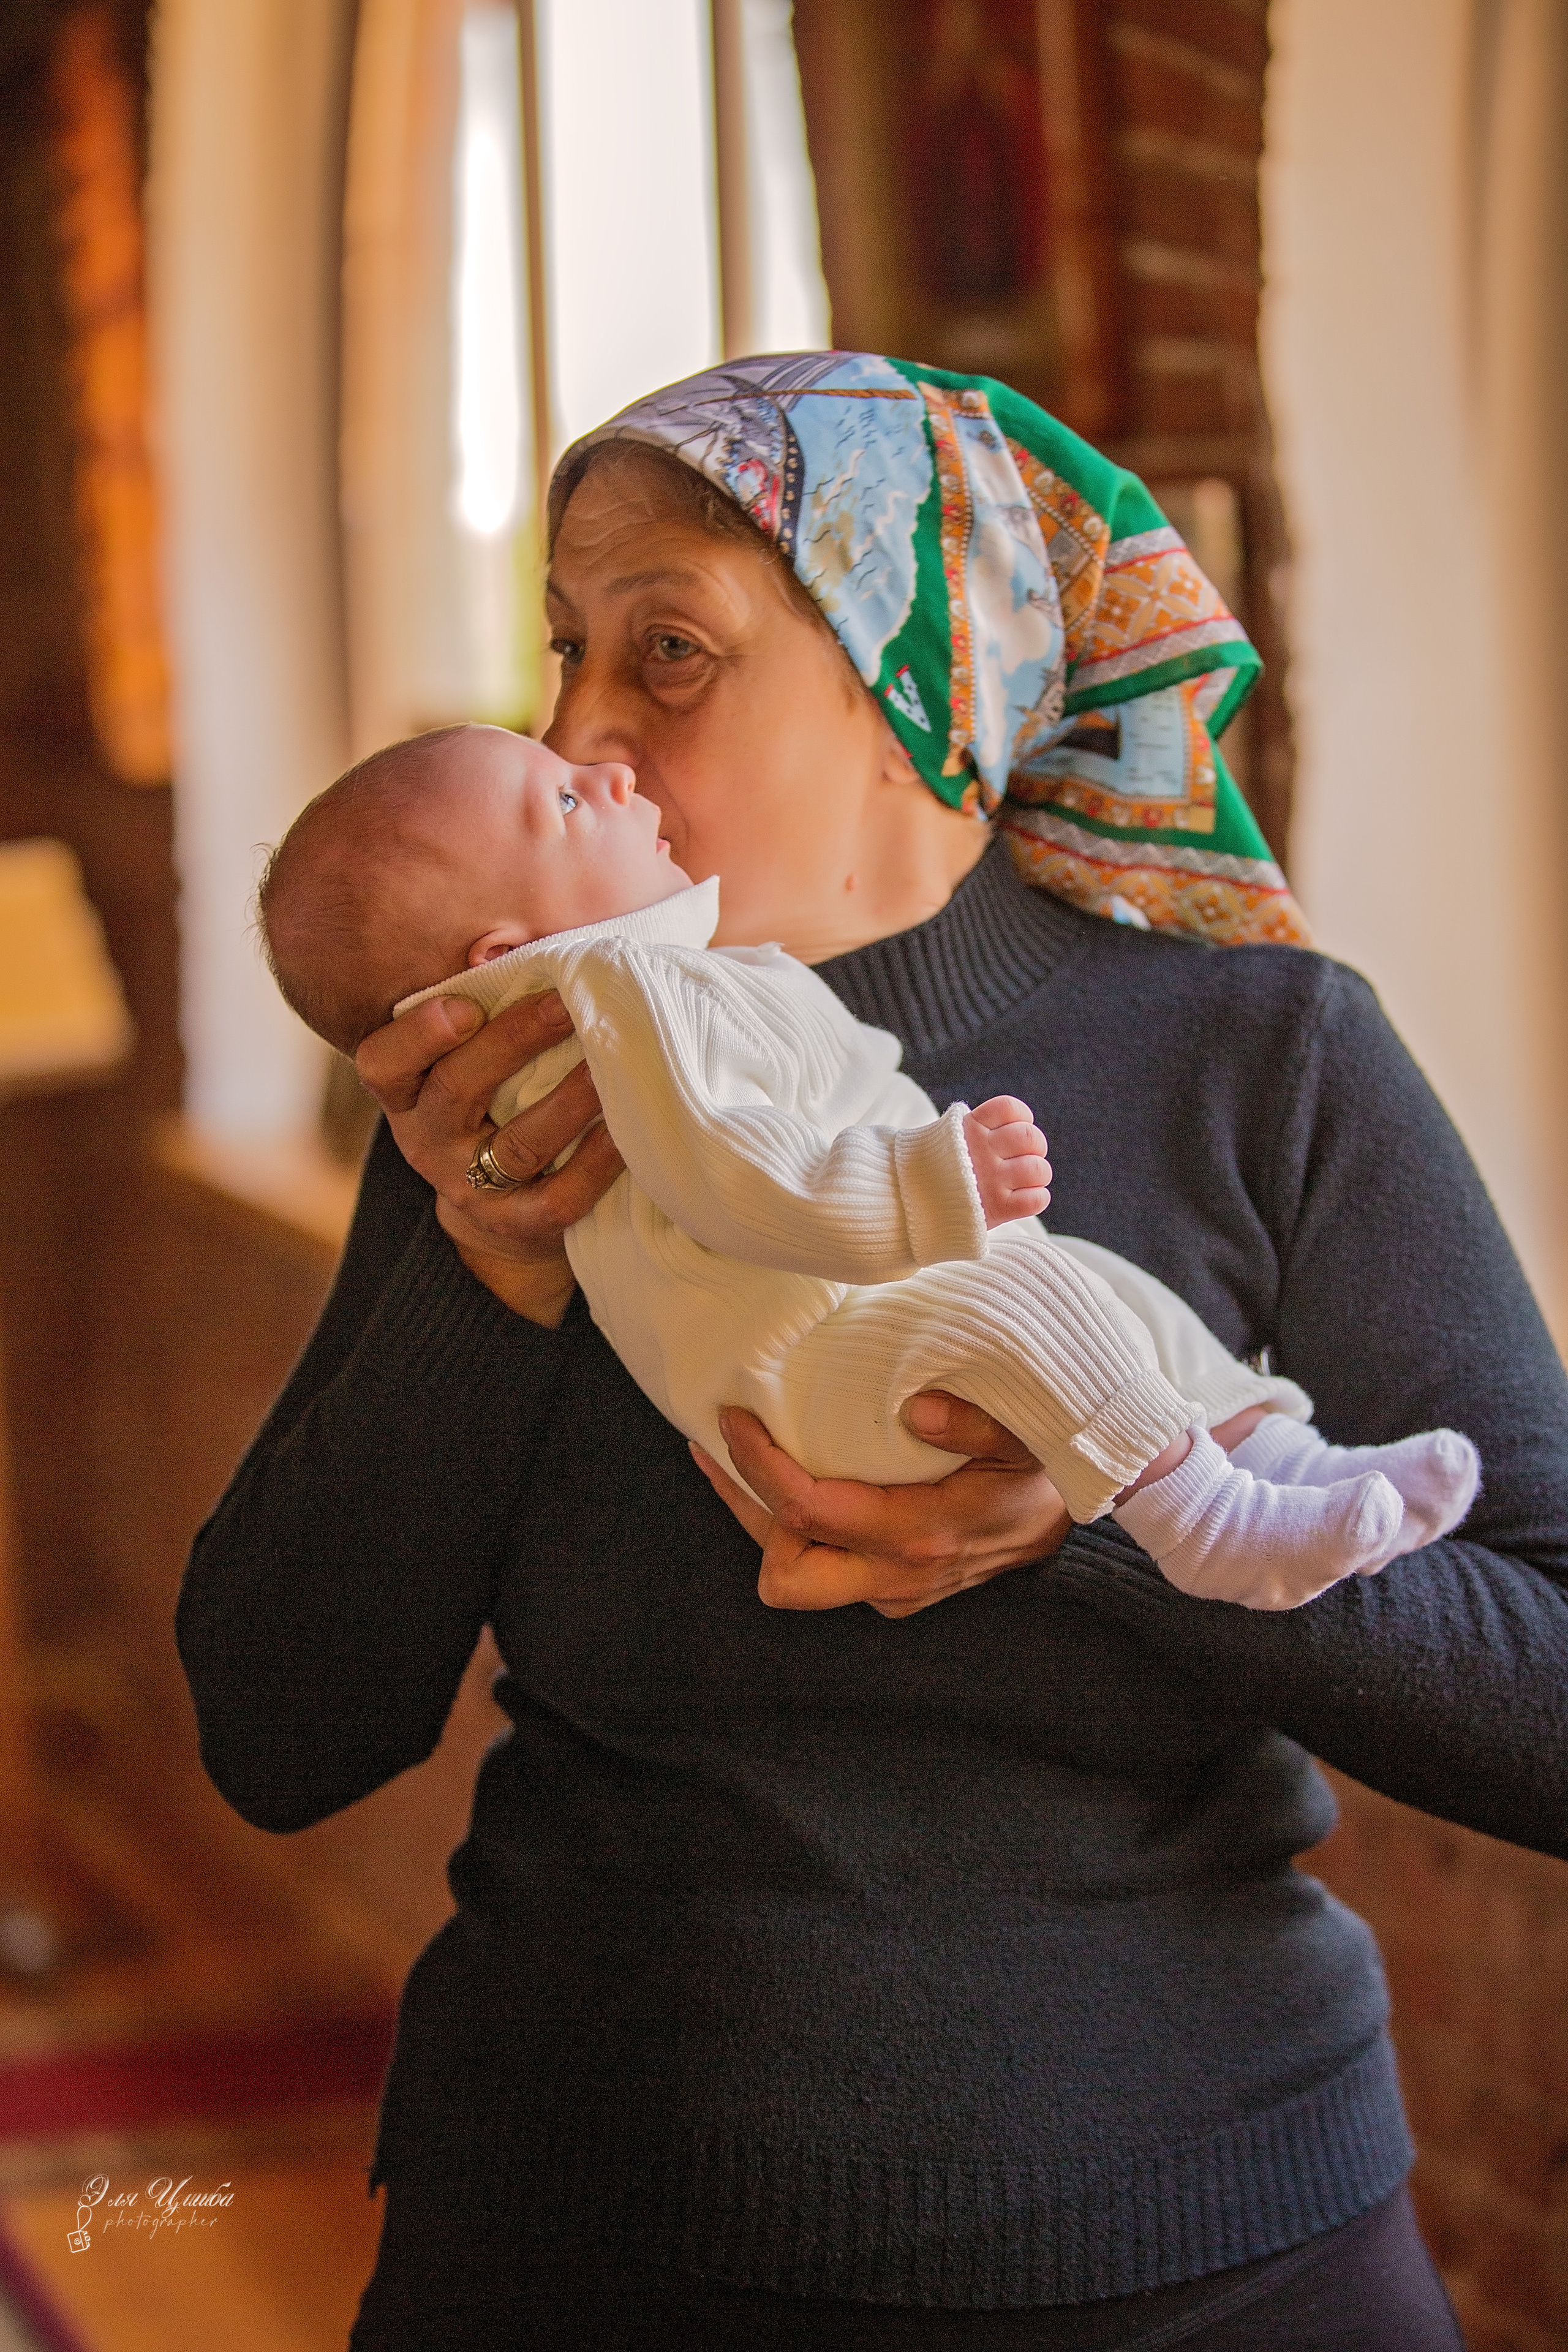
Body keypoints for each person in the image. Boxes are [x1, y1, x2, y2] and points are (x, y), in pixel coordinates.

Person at [179, 355, 1568, 2349]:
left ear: (929, 675)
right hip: (590, 2240)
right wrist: (482, 1282)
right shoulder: (512, 1100)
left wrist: (1093, 1515)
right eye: (564, 648)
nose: (577, 727)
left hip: (1214, 2256)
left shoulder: (1266, 1058)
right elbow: (276, 1735)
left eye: (670, 653)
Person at [254, 722, 1476, 1609]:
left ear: (902, 690)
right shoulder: (589, 1024)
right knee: (1031, 1294)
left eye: (675, 649)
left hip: (853, 1322)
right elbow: (735, 1172)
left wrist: (1067, 1522)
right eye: (567, 655)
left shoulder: (1282, 1039)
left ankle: (1277, 1465)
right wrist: (926, 1188)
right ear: (505, 950)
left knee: (1102, 1292)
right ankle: (1203, 1520)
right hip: (811, 1369)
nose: (598, 741)